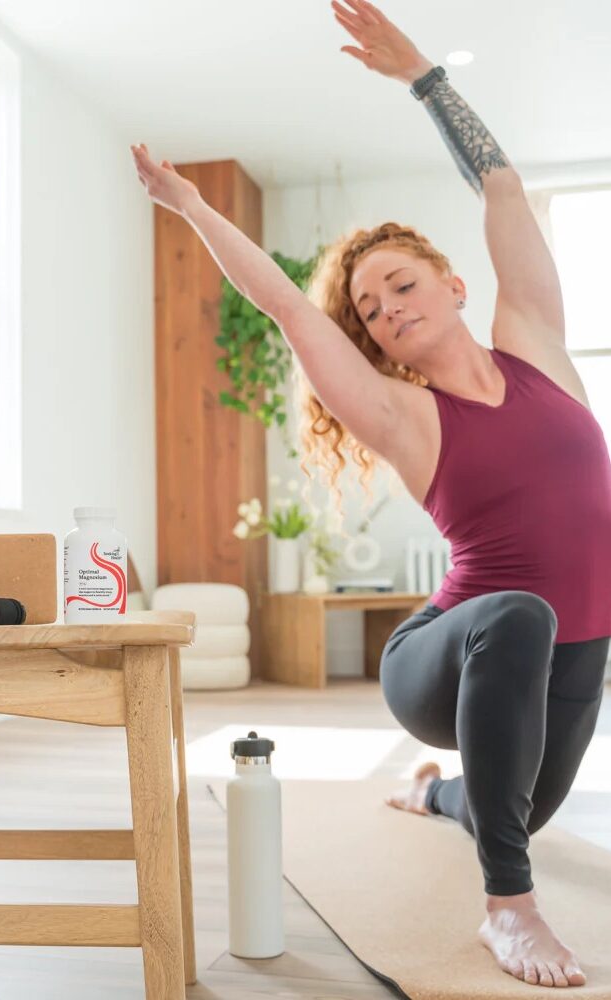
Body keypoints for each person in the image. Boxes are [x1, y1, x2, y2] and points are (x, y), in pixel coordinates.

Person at [130, 2, 611, 987]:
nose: (387, 309)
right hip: (439, 654)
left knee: (510, 800)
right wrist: (189, 205)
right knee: (516, 614)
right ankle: (507, 909)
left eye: (401, 283)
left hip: (568, 654)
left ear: (453, 284)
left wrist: (425, 79)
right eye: (370, 308)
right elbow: (281, 302)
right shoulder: (404, 416)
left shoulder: (542, 348)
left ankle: (439, 795)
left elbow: (505, 186)